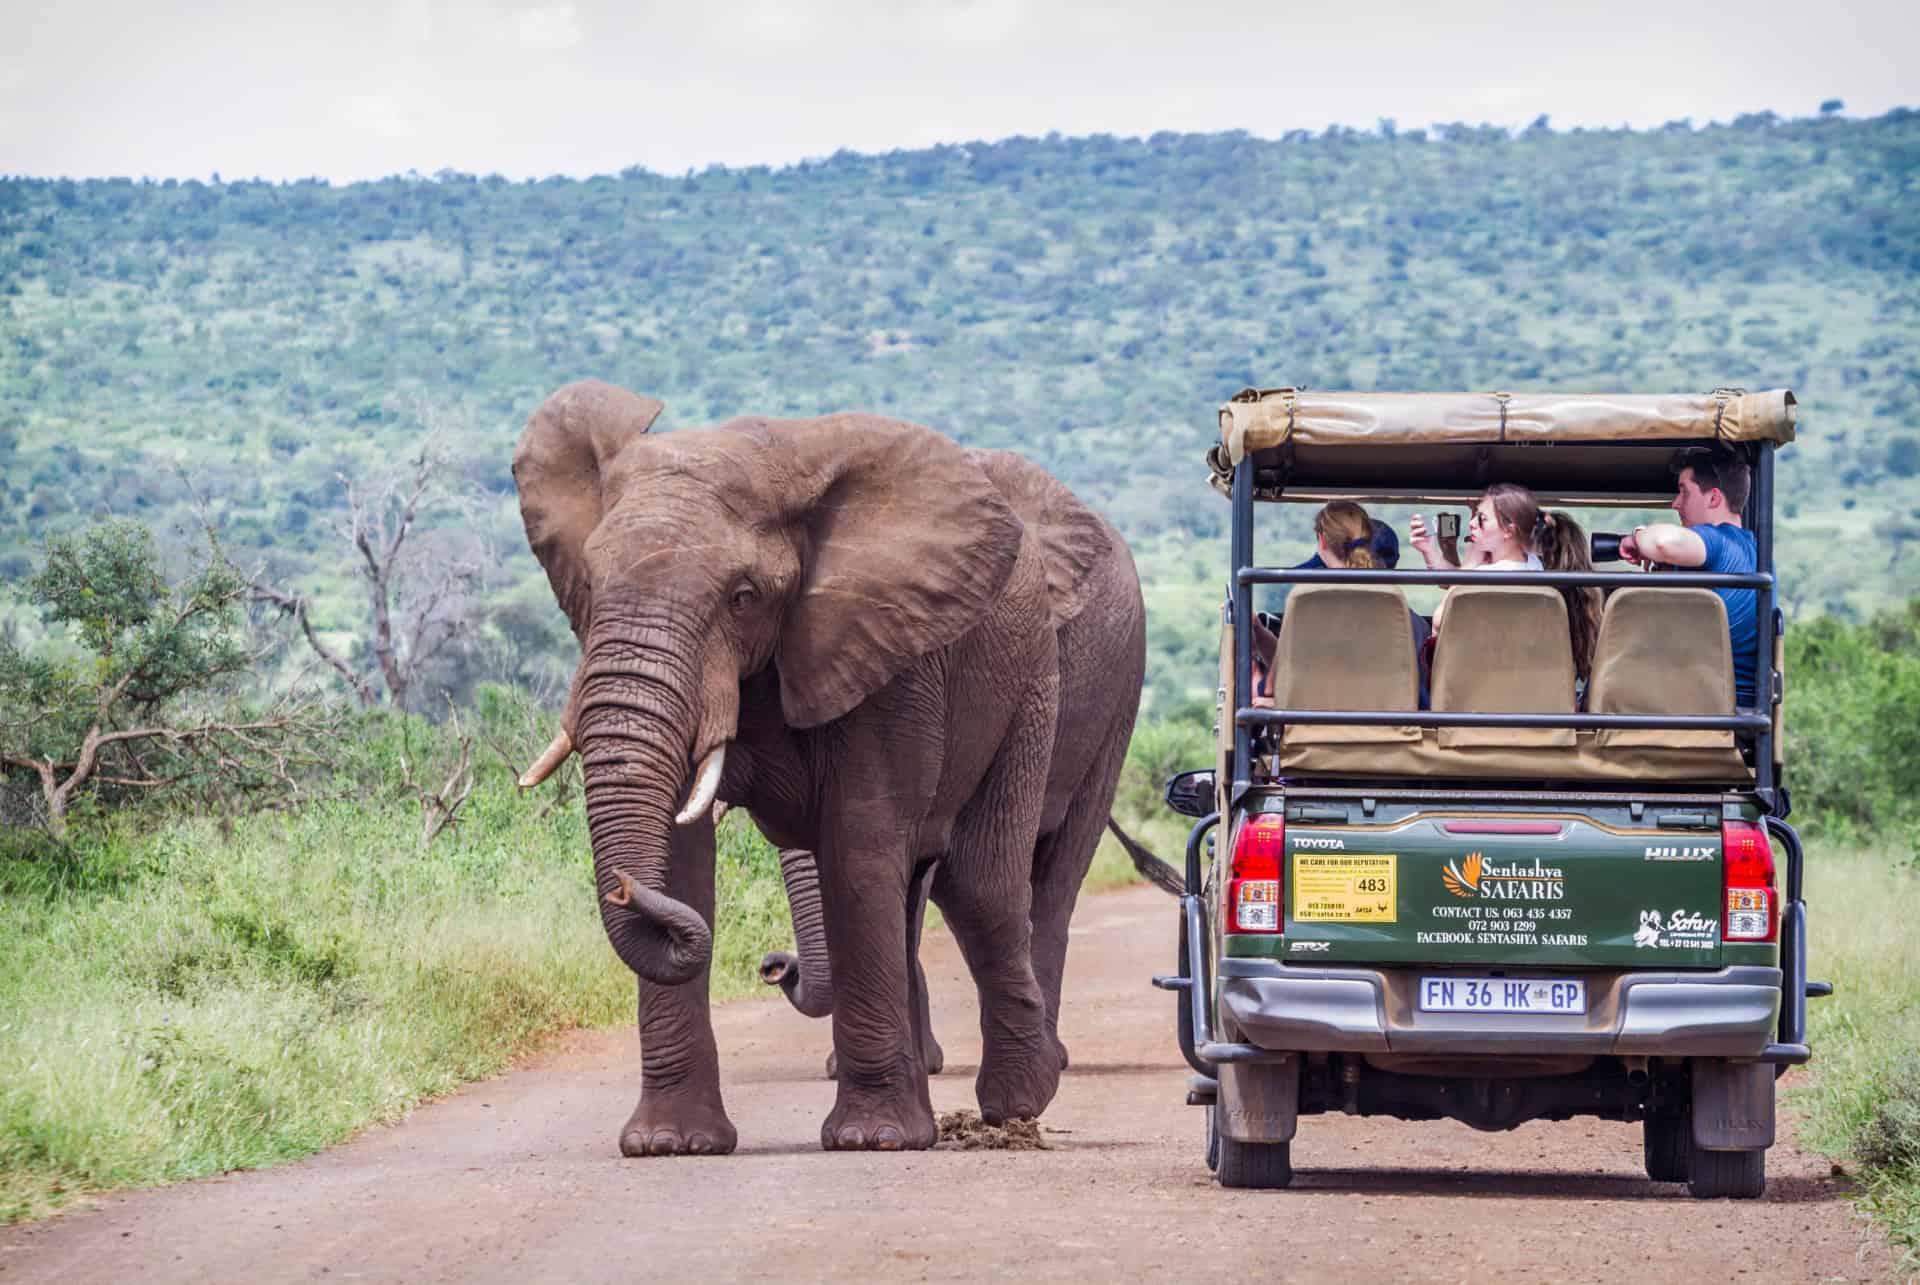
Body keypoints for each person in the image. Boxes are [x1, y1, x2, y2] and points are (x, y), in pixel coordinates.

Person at [1413, 483, 1602, 686]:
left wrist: (1471, 564)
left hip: (1476, 686)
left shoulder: (1479, 581)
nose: (1472, 524)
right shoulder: (1536, 568)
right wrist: (1433, 553)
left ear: (1508, 531)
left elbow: (1439, 620)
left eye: (1482, 519)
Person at [1250, 501, 1430, 708]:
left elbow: (1271, 688)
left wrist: (1255, 667)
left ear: (1322, 541)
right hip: (1391, 728)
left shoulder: (1309, 605)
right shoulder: (1402, 614)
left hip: (1322, 726)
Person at [1618, 447, 1758, 707]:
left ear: (1714, 498)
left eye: (1684, 491)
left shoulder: (1719, 540)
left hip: (1705, 706)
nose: (1675, 503)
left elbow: (1662, 542)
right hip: (1733, 704)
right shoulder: (1754, 550)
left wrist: (1637, 537)